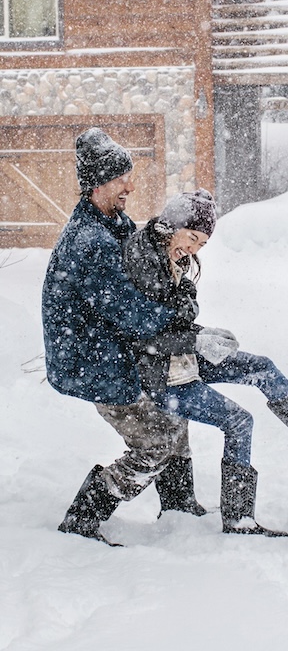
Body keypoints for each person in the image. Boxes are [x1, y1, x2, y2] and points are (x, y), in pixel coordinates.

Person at [123, 190, 288, 536]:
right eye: (192, 238)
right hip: (158, 374)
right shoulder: (140, 260)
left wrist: (201, 332)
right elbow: (141, 336)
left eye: (202, 244)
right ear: (173, 225)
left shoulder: (175, 258)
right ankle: (239, 519)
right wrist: (194, 337)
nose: (195, 249)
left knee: (262, 368)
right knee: (239, 422)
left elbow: (179, 314)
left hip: (181, 357)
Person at [42, 128, 203, 546]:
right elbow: (130, 311)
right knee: (157, 440)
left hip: (119, 352)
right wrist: (183, 326)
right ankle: (84, 515)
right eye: (122, 179)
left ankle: (180, 506)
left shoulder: (114, 222)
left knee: (174, 412)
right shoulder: (90, 241)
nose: (131, 185)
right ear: (98, 184)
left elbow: (145, 276)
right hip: (96, 363)